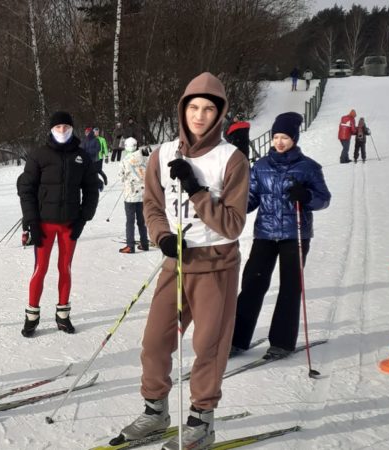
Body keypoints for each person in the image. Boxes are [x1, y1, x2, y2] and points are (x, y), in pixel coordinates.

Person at [117, 72, 249, 449]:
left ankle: (201, 420)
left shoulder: (231, 159)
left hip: (216, 266)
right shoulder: (162, 154)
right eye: (194, 106)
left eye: (209, 108)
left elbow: (233, 224)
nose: (200, 115)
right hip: (176, 265)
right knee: (154, 344)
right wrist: (161, 236)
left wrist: (196, 189)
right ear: (182, 109)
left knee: (208, 346)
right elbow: (152, 204)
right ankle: (155, 411)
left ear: (219, 114)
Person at [231, 112, 331, 359]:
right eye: (276, 136)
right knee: (252, 284)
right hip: (265, 233)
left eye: (284, 137)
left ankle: (282, 342)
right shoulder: (261, 166)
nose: (279, 142)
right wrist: (232, 207)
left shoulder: (308, 167)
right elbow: (252, 199)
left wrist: (307, 197)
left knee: (290, 286)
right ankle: (236, 339)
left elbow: (324, 199)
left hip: (294, 234)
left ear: (294, 138)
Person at [17, 111, 100, 337]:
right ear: (51, 130)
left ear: (72, 129)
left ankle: (62, 314)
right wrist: (31, 220)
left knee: (65, 268)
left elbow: (92, 189)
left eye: (66, 127)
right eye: (57, 127)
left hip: (69, 224)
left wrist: (84, 217)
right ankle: (32, 315)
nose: (62, 131)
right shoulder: (39, 155)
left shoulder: (82, 156)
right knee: (40, 269)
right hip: (43, 224)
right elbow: (26, 189)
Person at [117, 137, 149, 254]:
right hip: (142, 194)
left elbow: (120, 177)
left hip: (130, 195)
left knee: (130, 221)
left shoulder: (125, 160)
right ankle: (144, 243)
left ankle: (130, 245)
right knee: (142, 221)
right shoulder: (145, 158)